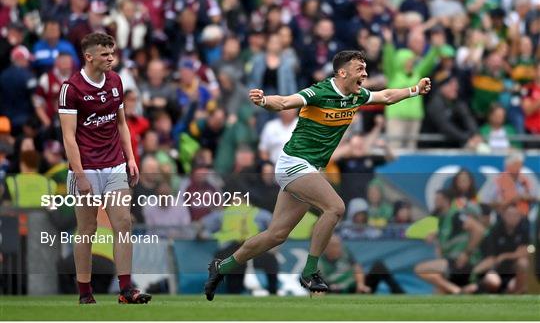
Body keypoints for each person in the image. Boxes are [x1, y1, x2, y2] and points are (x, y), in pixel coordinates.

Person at [204, 50, 432, 300]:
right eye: (360, 69)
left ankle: (222, 266)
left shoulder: (356, 96)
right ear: (342, 72)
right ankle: (310, 271)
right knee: (335, 208)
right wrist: (263, 100)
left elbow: (386, 96)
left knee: (276, 235)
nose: (365, 74)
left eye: (365, 69)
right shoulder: (320, 92)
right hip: (294, 163)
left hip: (309, 169)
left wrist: (414, 90)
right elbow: (284, 102)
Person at [58, 32, 151, 304]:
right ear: (89, 57)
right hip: (86, 167)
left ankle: (125, 290)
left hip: (114, 165)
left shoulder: (116, 81)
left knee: (123, 222)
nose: (111, 58)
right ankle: (85, 292)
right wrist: (79, 174)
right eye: (105, 54)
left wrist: (131, 158)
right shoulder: (71, 89)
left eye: (112, 52)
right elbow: (68, 137)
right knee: (87, 229)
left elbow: (122, 124)